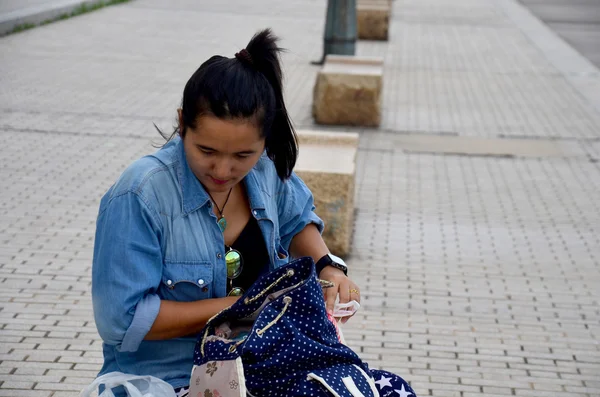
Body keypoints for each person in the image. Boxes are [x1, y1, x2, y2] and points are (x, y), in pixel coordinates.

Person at [91, 28, 361, 395]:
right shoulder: (139, 195)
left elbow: (297, 220)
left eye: (242, 156)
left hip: (260, 362)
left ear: (264, 142)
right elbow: (122, 320)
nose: (222, 171)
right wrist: (239, 306)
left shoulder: (265, 170)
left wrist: (328, 266)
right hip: (164, 377)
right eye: (206, 151)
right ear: (182, 123)